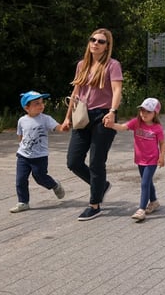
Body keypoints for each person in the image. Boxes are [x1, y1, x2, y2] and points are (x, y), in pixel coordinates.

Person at [63, 28, 123, 221]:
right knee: (73, 161)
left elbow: (116, 90)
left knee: (96, 162)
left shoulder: (112, 65)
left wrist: (113, 112)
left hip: (103, 117)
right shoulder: (82, 65)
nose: (96, 43)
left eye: (101, 41)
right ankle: (101, 185)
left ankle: (94, 204)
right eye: (93, 39)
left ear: (107, 47)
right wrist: (67, 118)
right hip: (82, 116)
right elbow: (75, 93)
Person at [105, 97, 165, 221]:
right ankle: (154, 201)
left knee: (144, 183)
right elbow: (122, 127)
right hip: (140, 159)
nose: (144, 114)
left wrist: (162, 157)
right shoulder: (136, 123)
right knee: (147, 182)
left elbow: (162, 143)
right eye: (142, 110)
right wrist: (111, 125)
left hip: (152, 160)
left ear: (155, 113)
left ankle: (141, 209)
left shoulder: (157, 128)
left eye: (148, 111)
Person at [11, 91, 68, 213]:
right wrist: (22, 147)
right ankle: (23, 202)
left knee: (40, 177)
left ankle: (54, 185)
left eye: (42, 102)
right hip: (23, 156)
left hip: (40, 157)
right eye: (37, 103)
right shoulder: (22, 120)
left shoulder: (46, 119)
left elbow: (58, 127)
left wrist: (64, 127)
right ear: (27, 107)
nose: (41, 105)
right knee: (20, 179)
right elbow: (20, 136)